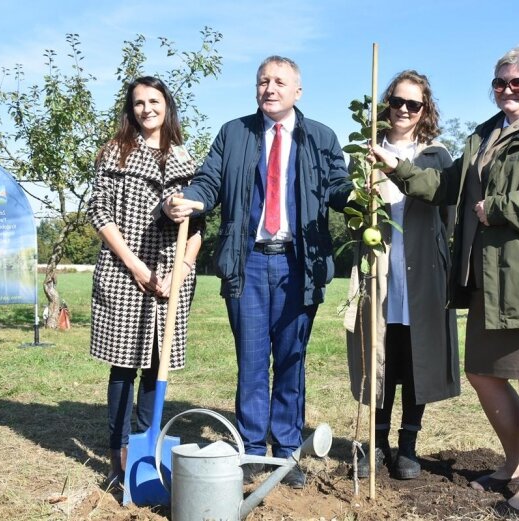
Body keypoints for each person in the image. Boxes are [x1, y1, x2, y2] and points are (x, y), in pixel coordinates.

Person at [371, 47, 519, 517]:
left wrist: (499, 209)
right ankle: (514, 462)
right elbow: (444, 187)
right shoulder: (485, 134)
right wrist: (398, 170)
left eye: (518, 82)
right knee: (483, 374)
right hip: (489, 281)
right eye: (500, 82)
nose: (507, 90)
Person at [163, 56, 351, 489]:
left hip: (298, 266)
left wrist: (360, 195)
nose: (270, 88)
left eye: (280, 82)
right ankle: (250, 449)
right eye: (263, 81)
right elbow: (208, 181)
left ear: (297, 91)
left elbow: (338, 187)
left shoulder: (321, 137)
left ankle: (286, 452)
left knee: (291, 360)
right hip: (246, 262)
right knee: (250, 360)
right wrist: (191, 200)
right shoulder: (234, 133)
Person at [88, 76, 203, 488]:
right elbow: (99, 213)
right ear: (130, 109)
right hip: (125, 272)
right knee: (124, 366)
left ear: (166, 106)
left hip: (172, 278)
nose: (146, 109)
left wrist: (181, 270)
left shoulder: (186, 160)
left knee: (158, 362)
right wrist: (137, 267)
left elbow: (199, 226)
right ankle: (119, 455)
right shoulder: (115, 154)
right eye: (138, 103)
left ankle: (146, 446)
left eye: (154, 101)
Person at [345, 70, 459, 480]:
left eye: (413, 104)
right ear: (386, 104)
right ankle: (377, 443)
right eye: (397, 102)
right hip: (379, 270)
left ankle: (408, 444)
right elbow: (352, 216)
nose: (404, 110)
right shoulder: (365, 155)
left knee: (416, 360)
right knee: (382, 357)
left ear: (424, 110)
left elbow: (446, 218)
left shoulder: (436, 156)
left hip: (421, 274)